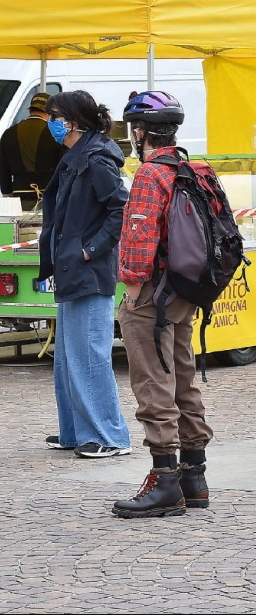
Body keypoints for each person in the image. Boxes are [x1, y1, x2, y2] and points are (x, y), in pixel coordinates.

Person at [112, 91, 218, 518]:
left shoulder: (149, 175)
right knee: (183, 379)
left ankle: (164, 482)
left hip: (153, 293)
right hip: (185, 292)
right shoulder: (195, 167)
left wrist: (133, 288)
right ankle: (195, 477)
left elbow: (139, 236)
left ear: (139, 133)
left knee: (152, 382)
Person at [37, 91, 130, 459]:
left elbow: (119, 210)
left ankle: (109, 436)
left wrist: (90, 248)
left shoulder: (96, 160)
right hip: (72, 268)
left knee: (90, 355)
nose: (51, 123)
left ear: (73, 121)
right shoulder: (75, 157)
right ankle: (75, 431)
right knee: (67, 358)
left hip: (88, 271)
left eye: (55, 117)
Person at [0, 92, 64, 208]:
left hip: (19, 198)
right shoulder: (55, 134)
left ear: (30, 110)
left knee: (20, 227)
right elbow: (63, 168)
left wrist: (7, 194)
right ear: (50, 112)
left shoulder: (9, 134)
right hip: (49, 198)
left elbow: (3, 170)